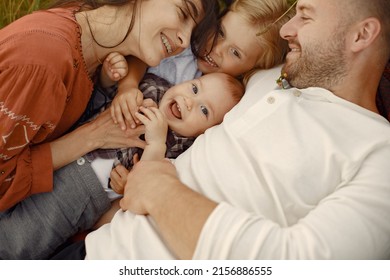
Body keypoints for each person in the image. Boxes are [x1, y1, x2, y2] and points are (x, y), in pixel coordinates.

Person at [53, 0, 390, 259]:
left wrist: (157, 189)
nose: (288, 31)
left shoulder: (379, 157)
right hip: (97, 247)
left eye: (306, 15)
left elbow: (297, 263)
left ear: (361, 35)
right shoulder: (270, 77)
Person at [0, 0, 218, 258]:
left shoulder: (95, 54)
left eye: (192, 34)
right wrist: (91, 137)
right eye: (183, 12)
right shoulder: (45, 63)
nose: (183, 40)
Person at [110, 0, 295, 130]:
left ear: (252, 68)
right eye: (221, 32)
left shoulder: (224, 101)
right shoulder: (183, 45)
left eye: (235, 52)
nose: (216, 48)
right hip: (114, 105)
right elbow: (140, 60)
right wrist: (128, 86)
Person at [90, 71, 244, 198]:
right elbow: (104, 91)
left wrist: (126, 186)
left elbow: (144, 187)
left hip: (92, 191)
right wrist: (110, 75)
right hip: (79, 137)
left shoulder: (179, 154)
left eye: (204, 110)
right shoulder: (151, 88)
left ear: (205, 132)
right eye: (195, 89)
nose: (189, 101)